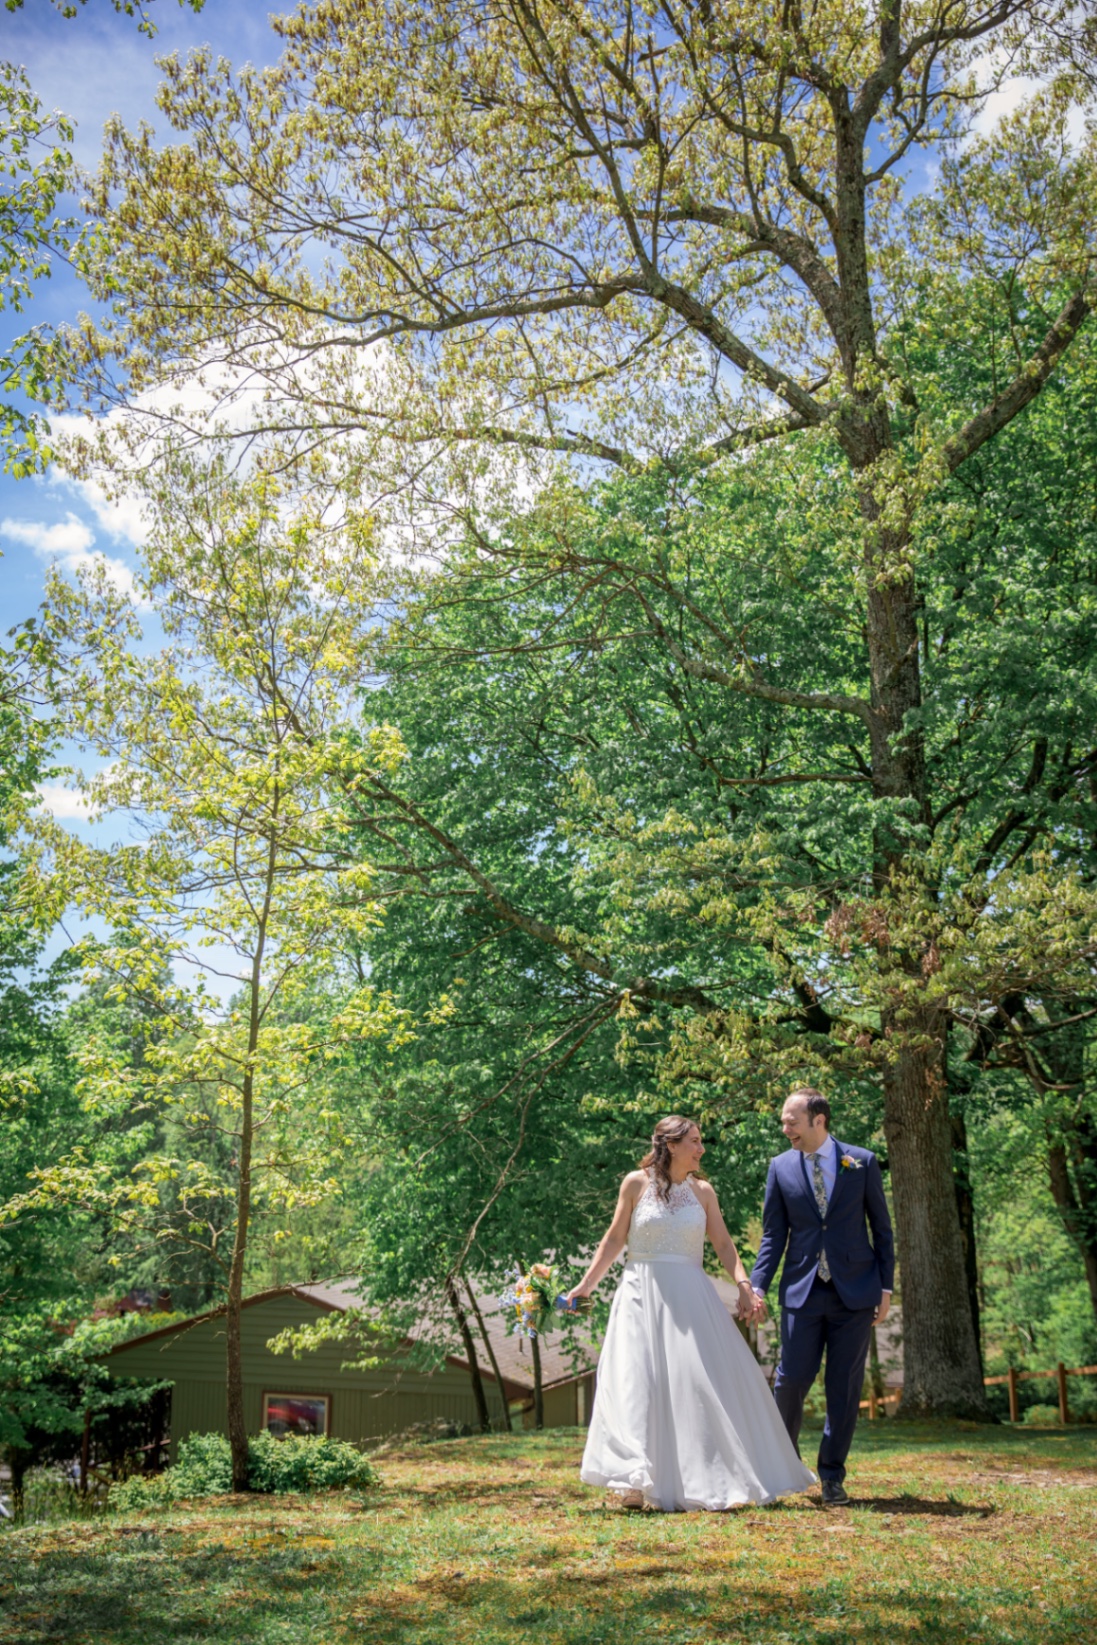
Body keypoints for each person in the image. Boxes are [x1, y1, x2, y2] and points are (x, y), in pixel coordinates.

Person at [566, 1115, 815, 1512]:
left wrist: (744, 1285)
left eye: (701, 1141)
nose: (701, 1149)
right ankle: (634, 1480)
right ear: (671, 1144)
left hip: (690, 1296)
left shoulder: (704, 1192)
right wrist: (585, 1286)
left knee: (697, 1384)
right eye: (695, 1141)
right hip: (640, 1292)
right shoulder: (634, 1184)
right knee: (635, 1381)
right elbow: (614, 1239)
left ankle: (709, 1471)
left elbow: (724, 1244)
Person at [750, 1086, 895, 1506]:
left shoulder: (862, 1161)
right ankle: (786, 1465)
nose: (785, 1128)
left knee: (844, 1388)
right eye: (783, 1121)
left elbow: (881, 1230)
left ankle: (832, 1474)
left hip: (856, 1292)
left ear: (819, 1120)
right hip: (802, 1290)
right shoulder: (780, 1167)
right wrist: (757, 1283)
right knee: (791, 1379)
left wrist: (885, 1288)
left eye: (791, 1120)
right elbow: (774, 1234)